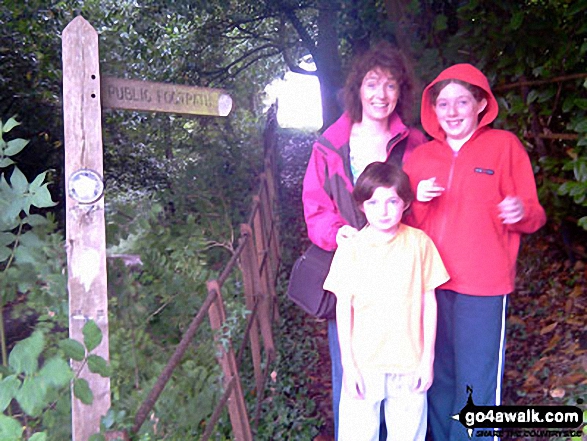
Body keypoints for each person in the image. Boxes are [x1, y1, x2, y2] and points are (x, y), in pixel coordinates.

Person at [403, 63, 547, 440]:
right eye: (443, 103)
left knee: (476, 379)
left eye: (462, 102)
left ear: (481, 104)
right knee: (435, 373)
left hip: (483, 285)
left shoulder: (505, 147)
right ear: (432, 108)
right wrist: (415, 201)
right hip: (429, 285)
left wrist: (520, 212)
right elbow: (403, 226)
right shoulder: (419, 158)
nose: (451, 112)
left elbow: (534, 215)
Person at [302, 41, 427, 439]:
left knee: (407, 376)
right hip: (353, 273)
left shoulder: (415, 143)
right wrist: (336, 232)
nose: (381, 95)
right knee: (354, 376)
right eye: (373, 83)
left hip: (403, 273)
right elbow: (315, 204)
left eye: (391, 85)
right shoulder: (330, 144)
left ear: (401, 92)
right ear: (357, 88)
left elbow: (427, 205)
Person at [323, 162, 449, 441]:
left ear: (405, 203)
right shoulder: (351, 249)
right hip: (364, 364)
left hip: (409, 361)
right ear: (361, 205)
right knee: (357, 435)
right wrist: (349, 366)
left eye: (392, 201)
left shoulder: (420, 244)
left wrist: (427, 360)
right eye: (374, 202)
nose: (383, 210)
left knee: (407, 435)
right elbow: (343, 308)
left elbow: (430, 303)